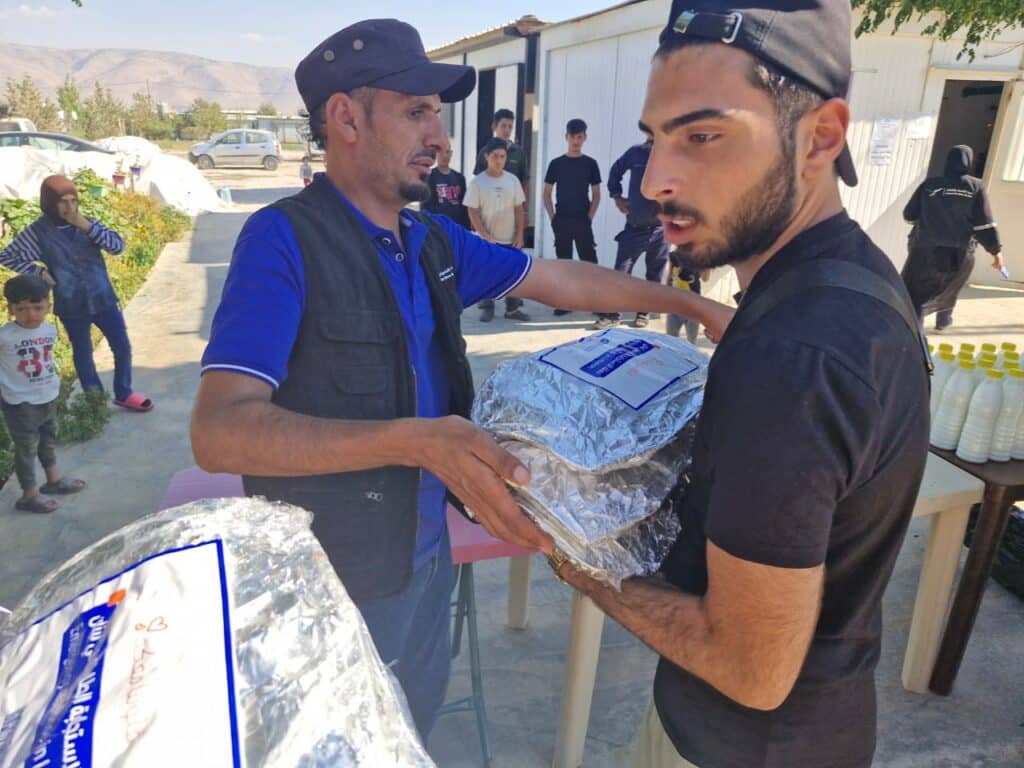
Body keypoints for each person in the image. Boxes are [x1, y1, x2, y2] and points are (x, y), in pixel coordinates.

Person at [191, 17, 731, 743]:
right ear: (345, 117)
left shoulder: (431, 239)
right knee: (337, 746)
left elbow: (556, 275)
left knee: (409, 730)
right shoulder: (282, 240)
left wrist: (689, 301)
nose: (440, 136)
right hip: (329, 582)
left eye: (438, 115)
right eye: (416, 111)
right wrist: (416, 441)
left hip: (424, 564)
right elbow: (220, 430)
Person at [545, 3, 931, 768]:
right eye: (654, 139)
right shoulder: (853, 279)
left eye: (704, 135)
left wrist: (572, 555)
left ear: (819, 137)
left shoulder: (795, 353)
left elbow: (751, 669)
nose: (656, 180)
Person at [0, 175, 153, 412]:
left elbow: (117, 247)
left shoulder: (87, 224)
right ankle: (95, 399)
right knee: (83, 352)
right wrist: (38, 272)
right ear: (50, 203)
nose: (69, 207)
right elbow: (8, 255)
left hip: (103, 298)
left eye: (73, 200)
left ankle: (124, 392)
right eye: (62, 201)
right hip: (71, 304)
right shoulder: (38, 232)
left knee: (122, 345)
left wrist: (87, 226)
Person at [0, 274, 86, 513]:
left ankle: (53, 481)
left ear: (48, 306)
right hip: (20, 403)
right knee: (26, 448)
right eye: (22, 309)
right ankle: (29, 495)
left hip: (47, 396)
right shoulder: (5, 337)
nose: (30, 315)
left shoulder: (49, 330)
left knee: (48, 441)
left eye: (37, 307)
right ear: (11, 309)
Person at [901, 144, 1004, 331]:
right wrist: (996, 252)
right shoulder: (975, 187)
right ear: (969, 162)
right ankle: (943, 321)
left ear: (948, 161)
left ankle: (916, 331)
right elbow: (984, 224)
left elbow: (909, 214)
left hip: (925, 249)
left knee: (916, 291)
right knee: (950, 287)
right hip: (958, 252)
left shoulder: (929, 185)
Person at [596, 138, 670, 329]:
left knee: (654, 275)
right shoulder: (636, 153)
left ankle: (643, 313)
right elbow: (615, 171)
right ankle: (612, 314)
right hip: (634, 228)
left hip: (661, 230)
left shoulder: (672, 155)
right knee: (621, 273)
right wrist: (616, 196)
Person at [466, 138, 529, 322]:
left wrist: (520, 234)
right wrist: (483, 234)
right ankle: (487, 308)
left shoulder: (513, 180)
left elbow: (519, 208)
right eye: (495, 156)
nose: (499, 160)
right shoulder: (478, 182)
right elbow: (472, 210)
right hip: (487, 240)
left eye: (502, 156)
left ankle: (512, 309)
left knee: (515, 273)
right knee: (487, 274)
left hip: (510, 238)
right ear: (486, 157)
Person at [543, 118, 602, 317]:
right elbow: (546, 194)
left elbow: (596, 195)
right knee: (564, 265)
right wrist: (553, 219)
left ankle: (596, 302)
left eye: (579, 137)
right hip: (562, 221)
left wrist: (589, 217)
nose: (576, 141)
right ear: (566, 137)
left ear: (585, 138)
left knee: (589, 263)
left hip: (582, 220)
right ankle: (565, 303)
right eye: (572, 137)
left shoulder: (591, 164)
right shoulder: (556, 164)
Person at [473, 108, 530, 201]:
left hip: (512, 204)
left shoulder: (519, 153)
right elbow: (478, 181)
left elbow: (525, 182)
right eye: (503, 126)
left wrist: (525, 210)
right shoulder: (485, 152)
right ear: (494, 127)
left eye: (510, 127)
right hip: (489, 203)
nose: (507, 130)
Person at [423, 145, 470, 229]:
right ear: (435, 154)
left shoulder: (459, 177)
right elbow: (426, 206)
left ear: (451, 154)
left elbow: (464, 205)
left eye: (447, 152)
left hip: (457, 227)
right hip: (437, 227)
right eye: (441, 152)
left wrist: (467, 226)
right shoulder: (429, 176)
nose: (445, 156)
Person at [665, 258, 708, 344]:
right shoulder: (674, 256)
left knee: (691, 341)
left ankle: (689, 357)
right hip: (675, 304)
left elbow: (705, 278)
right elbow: (669, 277)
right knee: (670, 338)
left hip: (692, 306)